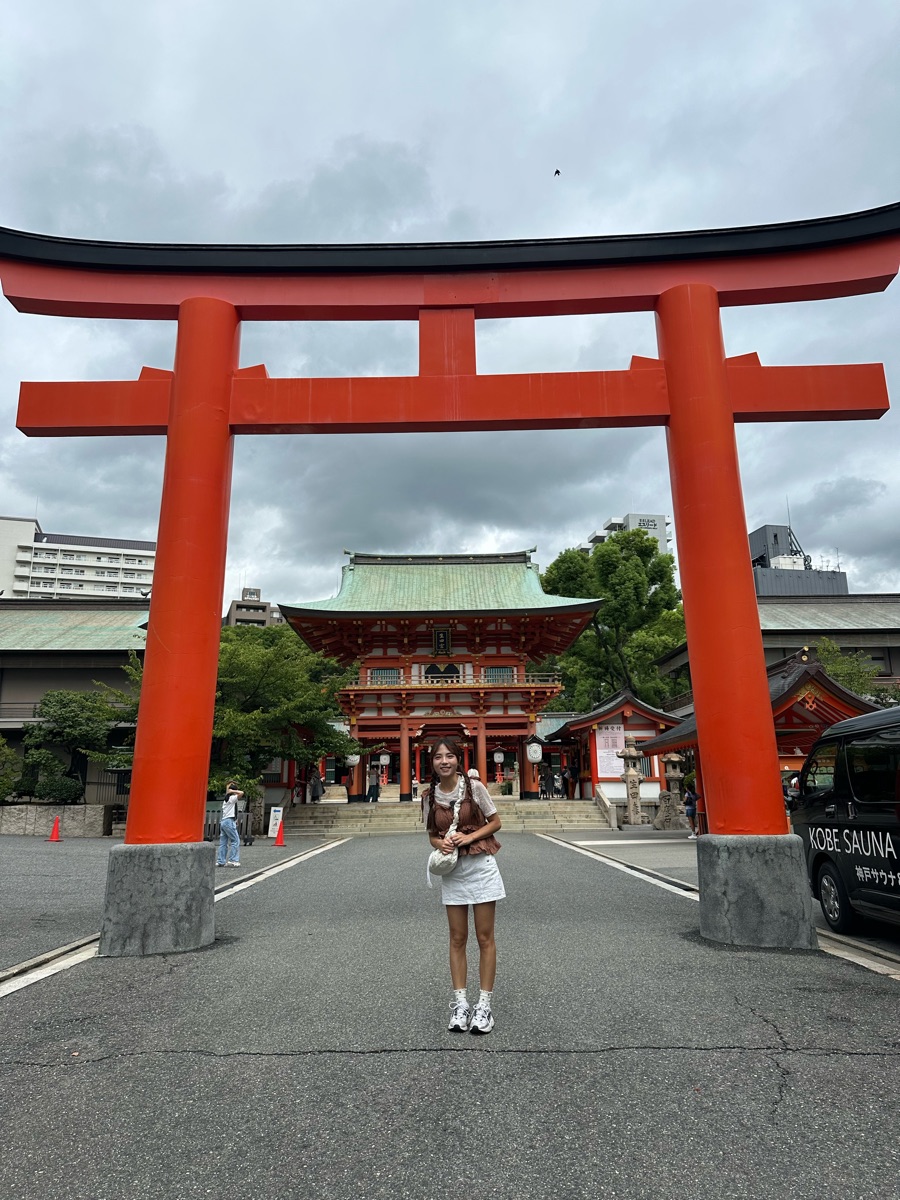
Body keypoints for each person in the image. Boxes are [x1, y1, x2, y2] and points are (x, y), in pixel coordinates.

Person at [424, 737, 504, 1036]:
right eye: (437, 757)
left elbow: (496, 822)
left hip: (481, 866)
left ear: (459, 759)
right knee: (457, 938)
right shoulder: (428, 797)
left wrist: (469, 838)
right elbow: (431, 834)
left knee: (485, 938)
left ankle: (484, 1006)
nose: (444, 761)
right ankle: (460, 1004)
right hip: (453, 872)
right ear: (431, 762)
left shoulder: (475, 788)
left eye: (449, 756)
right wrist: (440, 842)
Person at [216, 781, 244, 868]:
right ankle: (233, 860)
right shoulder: (232, 798)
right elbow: (242, 793)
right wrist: (232, 791)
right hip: (229, 821)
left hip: (224, 821)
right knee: (235, 840)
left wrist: (229, 789)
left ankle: (221, 861)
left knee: (223, 842)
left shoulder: (226, 799)